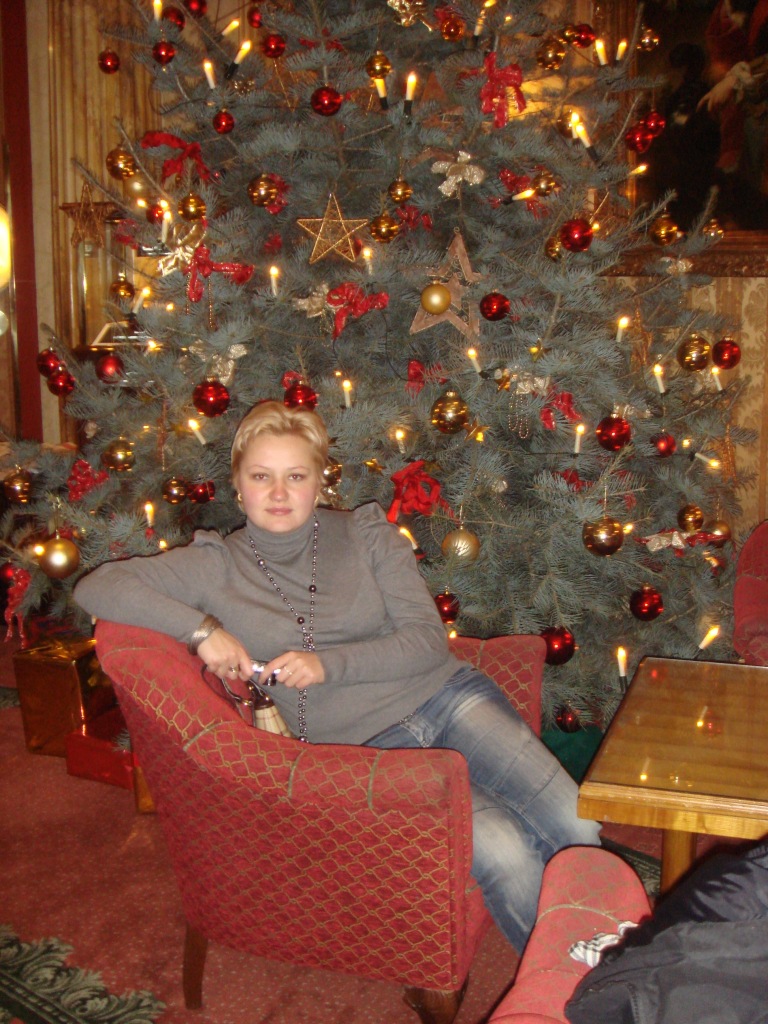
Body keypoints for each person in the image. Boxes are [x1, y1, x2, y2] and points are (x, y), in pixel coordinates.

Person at [74, 400, 601, 953]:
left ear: (319, 482)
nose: (279, 493)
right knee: (506, 852)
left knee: (577, 823)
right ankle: (580, 979)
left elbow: (427, 639)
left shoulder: (366, 535)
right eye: (261, 477)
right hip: (369, 749)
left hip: (446, 698)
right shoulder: (215, 564)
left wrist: (328, 665)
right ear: (238, 486)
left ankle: (616, 953)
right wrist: (202, 630)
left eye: (296, 476)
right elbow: (98, 587)